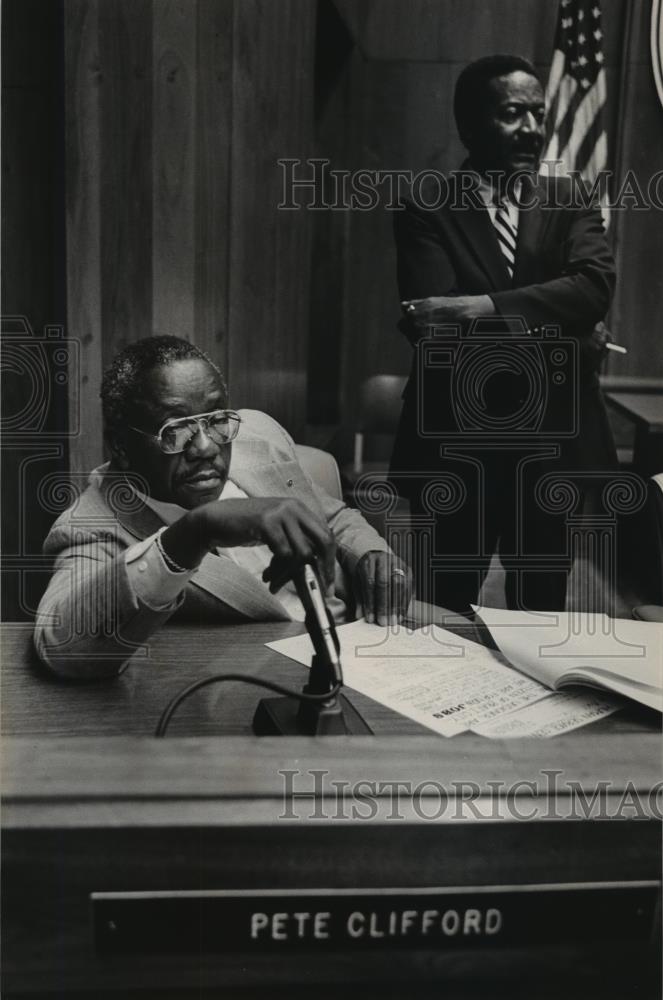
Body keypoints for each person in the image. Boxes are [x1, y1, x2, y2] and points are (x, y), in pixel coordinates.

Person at [35, 336, 411, 678]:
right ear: (120, 447)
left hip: (369, 642)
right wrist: (194, 532)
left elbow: (334, 516)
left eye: (216, 419)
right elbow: (61, 647)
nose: (206, 447)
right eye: (175, 429)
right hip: (269, 684)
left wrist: (369, 552)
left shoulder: (258, 434)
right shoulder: (92, 525)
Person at [390, 53, 617, 614]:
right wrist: (566, 336)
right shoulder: (427, 205)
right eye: (514, 114)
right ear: (469, 126)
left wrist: (482, 307)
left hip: (552, 447)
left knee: (539, 616)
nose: (533, 130)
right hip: (458, 447)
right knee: (445, 613)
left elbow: (594, 287)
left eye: (539, 114)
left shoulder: (572, 199)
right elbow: (437, 335)